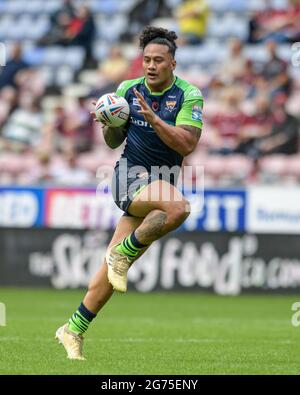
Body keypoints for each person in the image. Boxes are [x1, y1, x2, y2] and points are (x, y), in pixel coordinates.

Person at [55, 26, 204, 360]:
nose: (150, 66)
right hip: (128, 177)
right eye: (146, 60)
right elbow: (113, 142)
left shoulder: (189, 96)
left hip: (161, 182)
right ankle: (124, 253)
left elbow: (187, 144)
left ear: (173, 64)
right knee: (179, 209)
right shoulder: (127, 89)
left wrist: (153, 119)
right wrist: (109, 122)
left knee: (109, 274)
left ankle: (73, 329)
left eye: (158, 61)